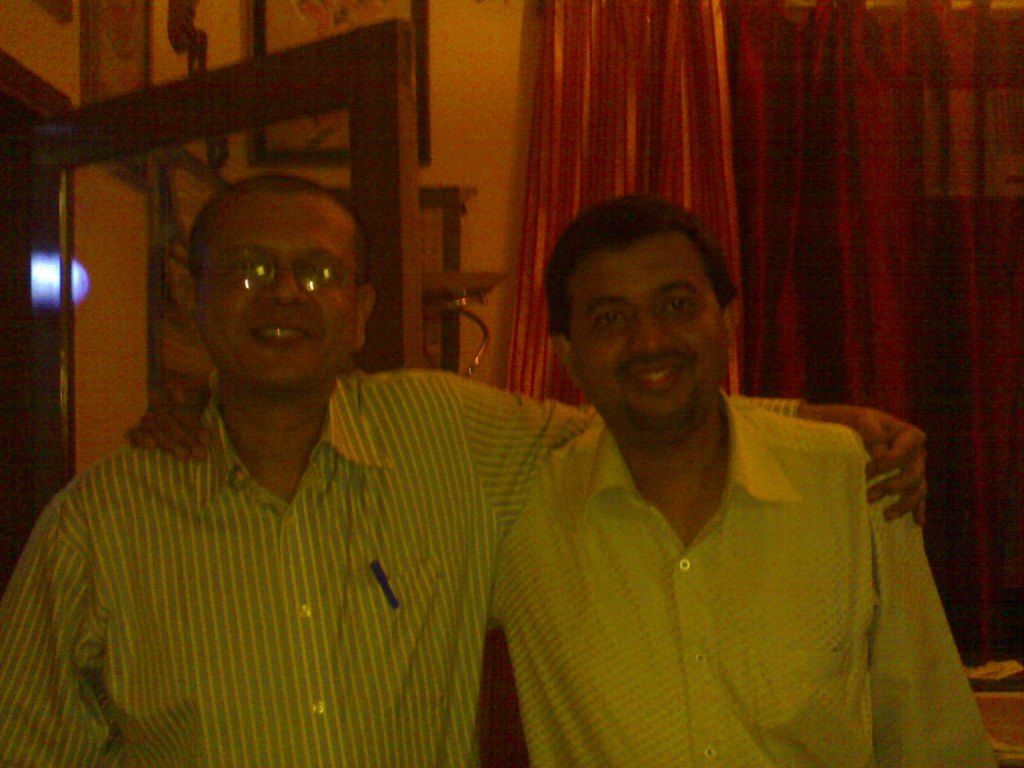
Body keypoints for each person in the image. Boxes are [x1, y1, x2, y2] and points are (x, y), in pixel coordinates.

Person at [0, 175, 925, 766]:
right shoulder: (97, 526)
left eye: (317, 273)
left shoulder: (446, 435)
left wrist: (825, 429)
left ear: (361, 310)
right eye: (247, 269)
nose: (283, 294)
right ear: (190, 294)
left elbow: (637, 405)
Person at [490, 194, 994, 766]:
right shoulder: (519, 512)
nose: (650, 341)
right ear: (567, 353)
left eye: (677, 305)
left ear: (728, 321)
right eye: (610, 317)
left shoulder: (854, 480)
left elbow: (931, 732)